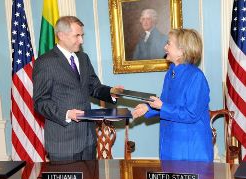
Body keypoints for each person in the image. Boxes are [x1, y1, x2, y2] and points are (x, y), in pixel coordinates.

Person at [33, 16, 122, 161]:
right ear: (61, 35)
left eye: (82, 35)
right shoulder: (45, 62)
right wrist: (67, 114)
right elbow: (40, 102)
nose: (81, 41)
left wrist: (111, 92)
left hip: (88, 140)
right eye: (77, 36)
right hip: (63, 144)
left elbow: (94, 87)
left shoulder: (83, 58)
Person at [132, 28, 214, 162]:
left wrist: (162, 106)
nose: (165, 47)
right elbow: (167, 103)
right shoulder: (171, 73)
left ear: (181, 51)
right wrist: (148, 108)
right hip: (170, 145)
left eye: (169, 43)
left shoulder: (196, 77)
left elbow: (191, 114)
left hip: (189, 150)